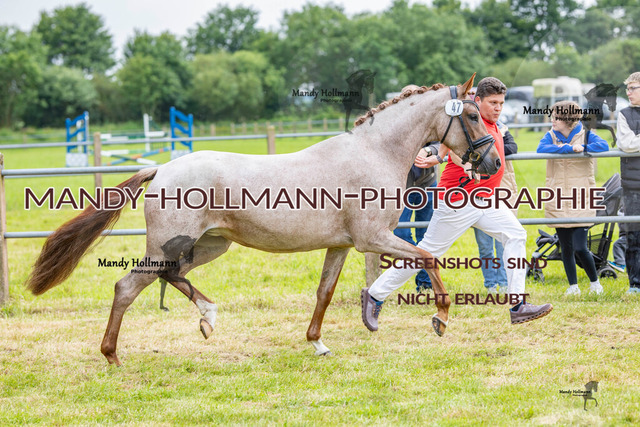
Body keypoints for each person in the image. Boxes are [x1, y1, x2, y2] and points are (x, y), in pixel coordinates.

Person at [361, 77, 553, 332]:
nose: (498, 108)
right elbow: (452, 145)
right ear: (478, 100)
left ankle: (517, 305)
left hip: (484, 199)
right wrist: (456, 161)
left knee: (516, 234)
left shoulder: (491, 123)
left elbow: (447, 147)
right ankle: (374, 295)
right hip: (459, 200)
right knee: (426, 253)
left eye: (501, 103)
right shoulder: (470, 120)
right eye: (493, 103)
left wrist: (438, 155)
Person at [536, 100, 609, 295]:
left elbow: (603, 146)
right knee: (566, 248)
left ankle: (595, 284)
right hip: (558, 197)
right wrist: (568, 149)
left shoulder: (586, 134)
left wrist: (583, 147)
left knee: (580, 247)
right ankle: (573, 287)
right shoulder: (551, 135)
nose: (552, 120)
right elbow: (541, 149)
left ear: (568, 120)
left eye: (556, 118)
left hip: (580, 197)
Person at [473, 120, 519, 294]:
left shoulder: (501, 128)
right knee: (484, 246)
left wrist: (486, 152)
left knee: (502, 243)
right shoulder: (471, 130)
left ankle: (504, 282)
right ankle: (490, 284)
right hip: (478, 194)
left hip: (501, 192)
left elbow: (512, 147)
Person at [394, 144, 440, 292]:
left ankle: (425, 284)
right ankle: (423, 264)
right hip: (401, 185)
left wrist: (428, 150)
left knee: (426, 235)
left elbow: (442, 143)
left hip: (428, 184)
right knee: (400, 233)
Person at [617, 71, 640, 294]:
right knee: (633, 235)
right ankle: (635, 283)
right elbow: (626, 144)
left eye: (633, 88)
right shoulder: (624, 114)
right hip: (633, 184)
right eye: (628, 88)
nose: (628, 93)